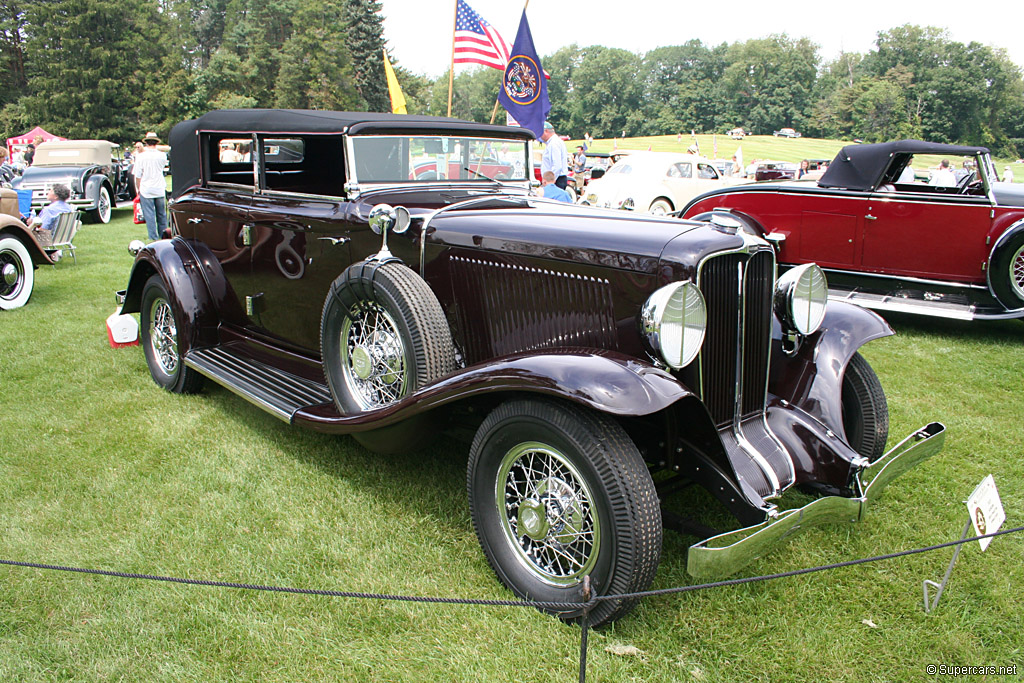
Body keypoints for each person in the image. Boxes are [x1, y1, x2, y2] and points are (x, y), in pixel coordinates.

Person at [135, 131, 169, 240]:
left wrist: (138, 189)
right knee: (161, 214)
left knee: (149, 215)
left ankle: (153, 237)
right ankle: (163, 235)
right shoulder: (162, 155)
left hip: (146, 188)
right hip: (159, 187)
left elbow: (138, 175)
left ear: (146, 143)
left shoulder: (141, 156)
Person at [540, 121, 569, 190]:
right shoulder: (554, 142)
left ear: (546, 131)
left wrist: (550, 181)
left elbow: (557, 166)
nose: (539, 136)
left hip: (556, 181)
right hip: (556, 180)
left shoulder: (554, 143)